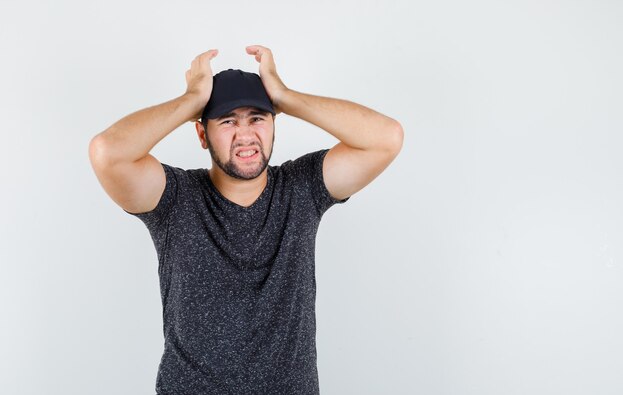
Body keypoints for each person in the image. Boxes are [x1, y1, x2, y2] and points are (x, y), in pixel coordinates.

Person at [88, 45, 403, 394]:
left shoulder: (301, 188)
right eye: (227, 121)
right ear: (202, 134)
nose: (245, 134)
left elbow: (386, 138)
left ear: (272, 124)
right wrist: (193, 98)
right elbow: (107, 152)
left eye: (257, 118)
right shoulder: (176, 198)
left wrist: (285, 95)